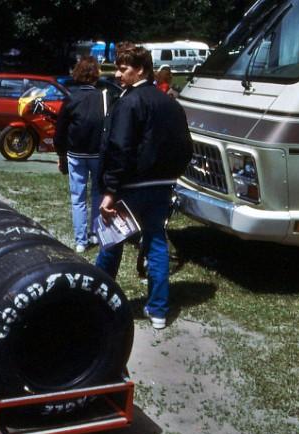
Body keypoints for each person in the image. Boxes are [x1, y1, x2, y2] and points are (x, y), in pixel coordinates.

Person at [95, 44, 192, 329]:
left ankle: (96, 297)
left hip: (132, 186)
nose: (118, 73)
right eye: (117, 67)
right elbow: (186, 146)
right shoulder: (171, 102)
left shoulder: (130, 102)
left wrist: (110, 191)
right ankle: (159, 310)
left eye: (123, 68)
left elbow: (120, 148)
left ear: (140, 69)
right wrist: (172, 174)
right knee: (157, 243)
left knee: (112, 241)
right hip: (162, 184)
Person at [53, 56, 107, 253]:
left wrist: (60, 155)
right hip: (97, 154)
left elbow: (60, 131)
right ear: (96, 74)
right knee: (97, 195)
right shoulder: (104, 98)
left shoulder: (70, 98)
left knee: (78, 198)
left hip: (75, 153)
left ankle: (80, 241)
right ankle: (95, 233)